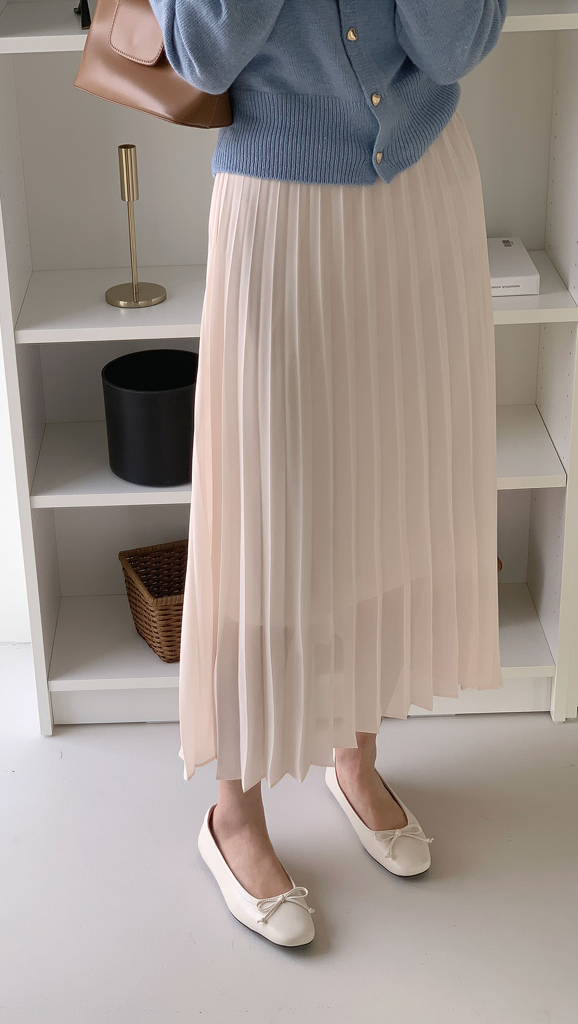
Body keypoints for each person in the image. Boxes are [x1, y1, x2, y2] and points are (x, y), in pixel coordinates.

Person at [148, 0, 508, 947]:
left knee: (384, 489)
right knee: (263, 510)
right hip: (278, 202)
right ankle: (233, 814)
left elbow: (454, 46)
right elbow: (201, 55)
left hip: (420, 193)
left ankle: (356, 755)